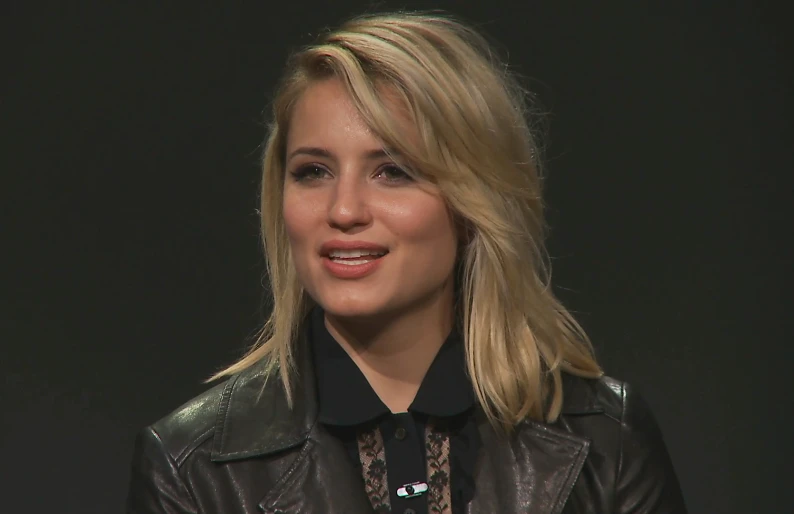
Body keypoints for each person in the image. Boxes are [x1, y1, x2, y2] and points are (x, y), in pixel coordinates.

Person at [126, 10, 686, 514]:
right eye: (313, 172)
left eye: (393, 170)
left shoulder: (607, 440)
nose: (343, 210)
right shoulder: (192, 468)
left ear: (474, 200)